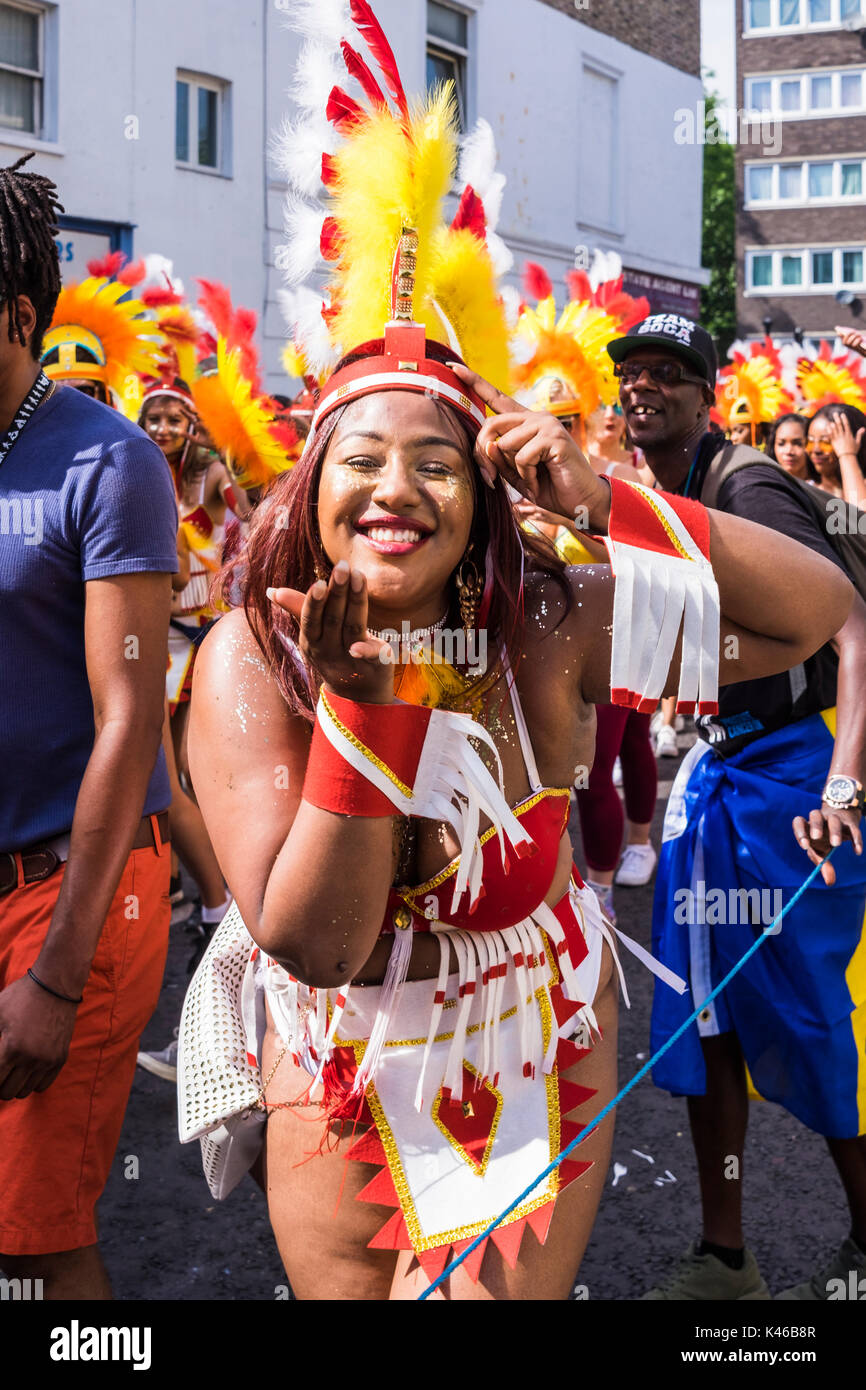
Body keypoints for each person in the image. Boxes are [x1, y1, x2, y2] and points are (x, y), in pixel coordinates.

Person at [177, 9, 851, 1301]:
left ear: (483, 495)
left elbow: (809, 610)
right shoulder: (257, 659)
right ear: (310, 491)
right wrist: (369, 709)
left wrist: (613, 499)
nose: (396, 485)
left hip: (534, 1034)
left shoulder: (549, 616)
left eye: (435, 460)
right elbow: (313, 944)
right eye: (360, 460)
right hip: (338, 1052)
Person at [605, 312, 866, 1301]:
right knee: (698, 1015)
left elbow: (853, 632)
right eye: (631, 373)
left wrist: (840, 782)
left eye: (669, 374)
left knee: (801, 1014)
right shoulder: (652, 495)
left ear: (704, 394)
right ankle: (724, 1258)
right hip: (715, 778)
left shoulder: (744, 487)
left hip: (794, 784)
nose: (644, 388)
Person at [0, 155, 178, 1298]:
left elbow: (128, 720)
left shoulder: (109, 461)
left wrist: (57, 977)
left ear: (17, 315)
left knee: (35, 1238)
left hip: (73, 894)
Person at [806, 403, 866, 509]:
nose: (816, 450)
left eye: (826, 442)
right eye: (810, 441)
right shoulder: (805, 491)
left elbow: (858, 518)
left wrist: (847, 455)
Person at [766, 412, 813, 482]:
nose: (788, 451)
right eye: (781, 444)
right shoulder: (766, 484)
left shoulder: (823, 488)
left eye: (798, 444)